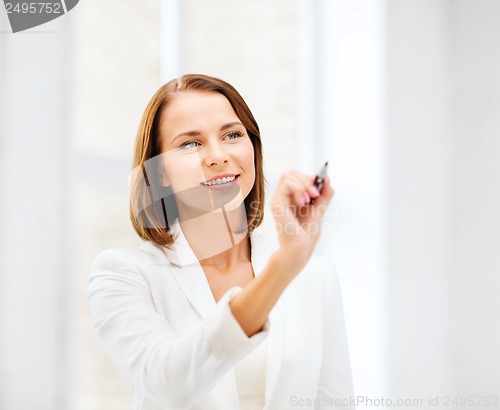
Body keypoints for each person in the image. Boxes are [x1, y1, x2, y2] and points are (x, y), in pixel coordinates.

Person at [88, 74, 354, 410]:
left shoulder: (316, 275)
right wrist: (284, 267)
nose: (217, 156)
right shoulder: (124, 275)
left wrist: (292, 261)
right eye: (190, 143)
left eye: (232, 135)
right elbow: (168, 383)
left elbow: (334, 402)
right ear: (160, 174)